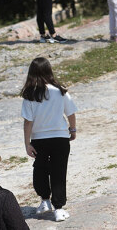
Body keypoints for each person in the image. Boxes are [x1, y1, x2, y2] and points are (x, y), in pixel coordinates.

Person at [21, 57, 77, 222]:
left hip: (39, 139)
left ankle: (45, 200)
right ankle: (59, 208)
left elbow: (28, 122)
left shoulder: (29, 95)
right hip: (60, 138)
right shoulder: (61, 91)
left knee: (40, 169)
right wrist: (73, 130)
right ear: (49, 70)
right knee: (59, 171)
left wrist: (27, 143)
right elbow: (71, 113)